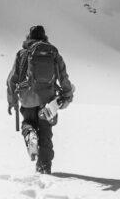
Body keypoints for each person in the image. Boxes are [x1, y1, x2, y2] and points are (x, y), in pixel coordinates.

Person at [6, 25, 74, 174]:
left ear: (29, 37)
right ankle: (44, 167)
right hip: (48, 101)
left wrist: (12, 101)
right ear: (44, 37)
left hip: (27, 99)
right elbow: (63, 75)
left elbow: (12, 79)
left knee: (28, 123)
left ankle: (30, 134)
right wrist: (67, 93)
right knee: (45, 131)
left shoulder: (22, 54)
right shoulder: (53, 53)